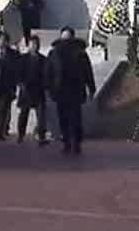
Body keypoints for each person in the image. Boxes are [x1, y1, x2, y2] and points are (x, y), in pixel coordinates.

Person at [47, 26, 95, 156]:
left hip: (75, 90)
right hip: (60, 91)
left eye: (68, 38)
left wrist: (91, 88)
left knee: (75, 119)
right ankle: (66, 143)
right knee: (63, 119)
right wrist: (49, 88)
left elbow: (87, 72)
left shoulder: (80, 54)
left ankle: (76, 143)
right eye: (64, 38)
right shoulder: (54, 53)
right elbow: (49, 72)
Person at [16, 33, 49, 145]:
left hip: (39, 91)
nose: (34, 46)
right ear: (28, 45)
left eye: (36, 44)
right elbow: (19, 74)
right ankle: (20, 135)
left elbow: (46, 75)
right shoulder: (23, 59)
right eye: (32, 44)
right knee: (23, 114)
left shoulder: (43, 59)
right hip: (26, 90)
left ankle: (41, 136)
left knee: (41, 116)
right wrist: (21, 84)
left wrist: (46, 86)